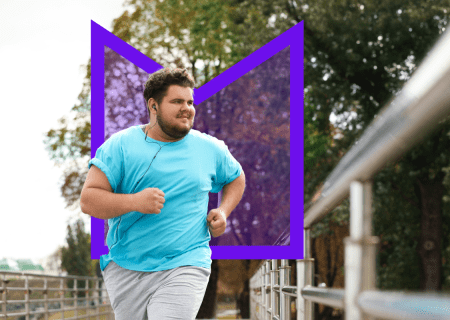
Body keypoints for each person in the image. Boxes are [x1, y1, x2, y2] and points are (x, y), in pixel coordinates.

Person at [80, 67, 245, 320]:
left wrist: (223, 211)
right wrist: (135, 201)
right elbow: (89, 200)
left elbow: (236, 178)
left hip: (186, 260)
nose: (187, 108)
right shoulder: (120, 146)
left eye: (190, 102)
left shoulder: (209, 148)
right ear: (153, 106)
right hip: (126, 265)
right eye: (177, 101)